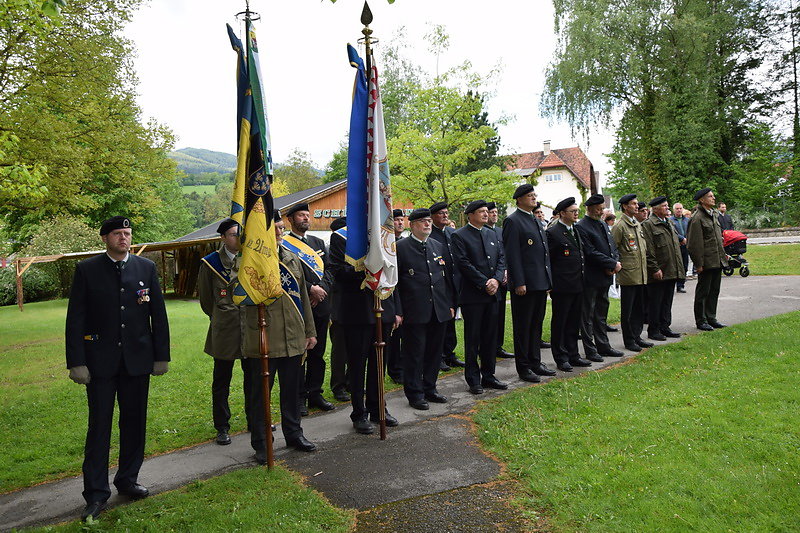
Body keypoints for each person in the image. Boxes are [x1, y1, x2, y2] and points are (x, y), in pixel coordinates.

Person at [65, 216, 170, 521]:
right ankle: (96, 494)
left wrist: (160, 355)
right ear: (105, 238)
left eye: (127, 233)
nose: (124, 238)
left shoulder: (145, 268)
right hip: (100, 364)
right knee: (99, 429)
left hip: (137, 361)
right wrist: (77, 362)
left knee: (134, 424)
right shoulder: (87, 270)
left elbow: (158, 316)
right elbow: (76, 321)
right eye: (117, 234)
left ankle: (127, 480)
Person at [243, 214, 319, 461]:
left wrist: (310, 331)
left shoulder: (291, 258)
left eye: (281, 228)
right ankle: (262, 442)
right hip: (264, 337)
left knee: (292, 391)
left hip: (293, 337)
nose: (279, 232)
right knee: (260, 394)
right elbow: (238, 294)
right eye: (274, 228)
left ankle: (294, 434)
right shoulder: (249, 259)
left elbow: (304, 300)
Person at [328, 215, 401, 434]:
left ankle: (379, 408)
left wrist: (396, 310)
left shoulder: (384, 236)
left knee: (380, 363)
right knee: (358, 366)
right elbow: (338, 272)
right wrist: (368, 269)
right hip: (357, 312)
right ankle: (359, 413)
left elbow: (393, 274)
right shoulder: (341, 237)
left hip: (384, 309)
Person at [198, 218, 250, 447]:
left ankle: (256, 419)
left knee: (255, 378)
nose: (237, 238)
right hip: (225, 330)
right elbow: (206, 300)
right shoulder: (210, 263)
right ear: (222, 238)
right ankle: (222, 426)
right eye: (232, 234)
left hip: (250, 328)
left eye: (239, 234)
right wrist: (222, 316)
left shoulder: (250, 259)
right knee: (222, 380)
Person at [396, 208, 455, 410]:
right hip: (414, 311)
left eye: (429, 221)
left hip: (438, 309)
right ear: (412, 225)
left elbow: (446, 278)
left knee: (434, 352)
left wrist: (449, 304)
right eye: (423, 221)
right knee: (414, 354)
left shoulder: (437, 246)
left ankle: (430, 387)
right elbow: (396, 284)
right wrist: (399, 310)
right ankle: (414, 393)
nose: (428, 224)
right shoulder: (400, 248)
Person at [282, 203, 335, 415]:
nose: (305, 218)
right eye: (300, 215)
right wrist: (309, 290)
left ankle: (315, 393)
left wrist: (321, 288)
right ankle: (299, 397)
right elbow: (284, 275)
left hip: (321, 306)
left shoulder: (317, 242)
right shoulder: (284, 245)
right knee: (299, 354)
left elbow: (330, 270)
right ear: (291, 220)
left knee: (318, 353)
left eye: (307, 215)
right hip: (298, 307)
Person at [451, 200, 507, 394]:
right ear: (470, 215)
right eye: (481, 211)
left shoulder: (491, 233)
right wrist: (485, 283)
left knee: (490, 338)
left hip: (493, 294)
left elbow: (501, 259)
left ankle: (489, 375)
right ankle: (473, 379)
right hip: (473, 296)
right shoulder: (459, 235)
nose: (486, 214)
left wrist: (497, 280)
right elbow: (463, 263)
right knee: (473, 339)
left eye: (487, 211)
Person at [502, 184, 555, 381]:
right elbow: (513, 255)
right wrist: (519, 282)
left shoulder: (534, 220)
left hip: (540, 282)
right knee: (523, 327)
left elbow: (544, 253)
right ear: (519, 199)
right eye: (530, 196)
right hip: (525, 285)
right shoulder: (513, 221)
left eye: (534, 195)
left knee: (536, 325)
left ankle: (535, 361)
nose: (534, 198)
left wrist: (548, 279)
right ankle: (523, 367)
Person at [575, 194, 624, 362]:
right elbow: (589, 252)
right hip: (591, 277)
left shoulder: (602, 224)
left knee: (601, 313)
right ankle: (590, 349)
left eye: (603, 208)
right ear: (589, 208)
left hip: (605, 275)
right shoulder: (582, 226)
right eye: (599, 209)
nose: (602, 211)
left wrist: (614, 263)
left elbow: (612, 246)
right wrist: (610, 263)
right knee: (587, 315)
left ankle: (604, 345)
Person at [546, 198, 591, 372]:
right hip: (562, 286)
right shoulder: (553, 232)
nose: (576, 213)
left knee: (573, 322)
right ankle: (561, 357)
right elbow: (549, 260)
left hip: (578, 284)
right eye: (572, 211)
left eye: (577, 210)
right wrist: (550, 284)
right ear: (562, 213)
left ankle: (573, 354)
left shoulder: (575, 230)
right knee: (561, 322)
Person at [611, 194, 653, 352]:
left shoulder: (636, 224)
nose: (637, 206)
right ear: (625, 206)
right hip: (628, 275)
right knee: (628, 311)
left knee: (638, 309)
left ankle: (637, 336)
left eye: (637, 204)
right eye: (633, 204)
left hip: (640, 273)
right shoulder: (620, 226)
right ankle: (629, 340)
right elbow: (613, 248)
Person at [641, 196, 685, 340]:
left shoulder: (668, 223)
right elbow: (648, 249)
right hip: (659, 270)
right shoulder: (648, 225)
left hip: (671, 268)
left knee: (667, 300)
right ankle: (654, 330)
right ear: (655, 209)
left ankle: (665, 327)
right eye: (664, 206)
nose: (667, 208)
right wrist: (654, 268)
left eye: (667, 205)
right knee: (656, 302)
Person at [429, 202, 465, 370]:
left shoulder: (452, 233)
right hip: (439, 284)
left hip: (454, 282)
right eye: (441, 213)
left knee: (451, 320)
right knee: (441, 321)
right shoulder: (430, 235)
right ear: (432, 217)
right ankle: (440, 355)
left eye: (446, 213)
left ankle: (450, 353)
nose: (445, 215)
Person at [687, 188, 728, 331]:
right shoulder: (697, 218)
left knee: (714, 290)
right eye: (710, 197)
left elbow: (717, 239)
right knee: (703, 292)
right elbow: (693, 244)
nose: (714, 198)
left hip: (717, 260)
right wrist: (698, 264)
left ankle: (711, 317)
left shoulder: (714, 215)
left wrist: (724, 256)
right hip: (706, 262)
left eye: (713, 196)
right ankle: (701, 320)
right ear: (702, 200)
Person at [327, 217, 350, 402]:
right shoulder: (334, 249)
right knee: (340, 349)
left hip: (355, 305)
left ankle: (351, 381)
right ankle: (338, 385)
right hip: (339, 305)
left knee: (355, 348)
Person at [486, 201, 513, 360]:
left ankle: (498, 346)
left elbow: (505, 253)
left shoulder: (500, 231)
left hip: (502, 279)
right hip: (490, 280)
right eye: (491, 212)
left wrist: (506, 271)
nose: (494, 214)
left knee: (500, 314)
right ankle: (487, 346)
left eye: (496, 212)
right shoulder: (482, 232)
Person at [386, 208, 406, 383]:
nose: (399, 223)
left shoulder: (406, 243)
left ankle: (402, 366)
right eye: (396, 220)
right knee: (393, 338)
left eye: (401, 220)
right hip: (392, 295)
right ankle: (394, 370)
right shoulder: (387, 245)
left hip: (408, 298)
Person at [670, 203, 690, 293]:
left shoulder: (687, 220)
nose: (679, 210)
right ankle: (674, 284)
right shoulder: (670, 220)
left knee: (684, 265)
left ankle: (680, 285)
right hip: (675, 246)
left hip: (686, 246)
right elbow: (672, 232)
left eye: (680, 208)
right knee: (676, 266)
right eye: (677, 209)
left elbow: (690, 231)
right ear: (674, 210)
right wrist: (681, 238)